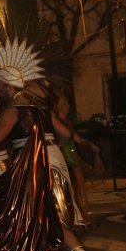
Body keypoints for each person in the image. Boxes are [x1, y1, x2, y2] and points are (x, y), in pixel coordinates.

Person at [0, 31, 102, 251]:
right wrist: (83, 142)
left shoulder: (13, 109)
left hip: (38, 165)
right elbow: (63, 134)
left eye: (0, 86)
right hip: (52, 159)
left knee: (49, 219)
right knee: (35, 219)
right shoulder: (39, 107)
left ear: (9, 86)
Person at [52, 91, 100, 226]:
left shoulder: (66, 121)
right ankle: (77, 216)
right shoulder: (57, 121)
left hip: (71, 153)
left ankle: (84, 215)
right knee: (72, 186)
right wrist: (88, 143)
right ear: (59, 106)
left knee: (80, 186)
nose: (68, 106)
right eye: (65, 104)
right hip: (65, 154)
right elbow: (72, 137)